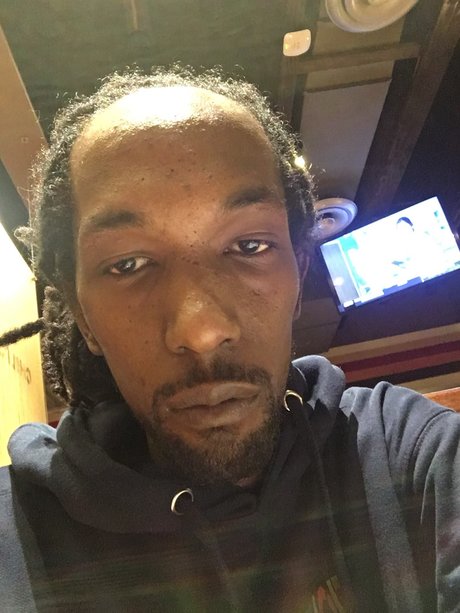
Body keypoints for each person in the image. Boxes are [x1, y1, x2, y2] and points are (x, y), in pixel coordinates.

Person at [0, 66, 459, 613]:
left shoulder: (407, 453)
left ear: (299, 274)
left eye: (249, 246)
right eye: (128, 264)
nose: (201, 329)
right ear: (83, 316)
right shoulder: (15, 536)